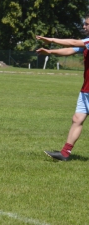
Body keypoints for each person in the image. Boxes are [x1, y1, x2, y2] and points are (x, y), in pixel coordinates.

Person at [36, 14, 89, 161]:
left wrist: (51, 40)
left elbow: (72, 42)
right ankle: (65, 153)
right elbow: (71, 50)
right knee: (77, 119)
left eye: (87, 24)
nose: (84, 26)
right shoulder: (86, 43)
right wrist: (50, 52)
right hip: (86, 90)